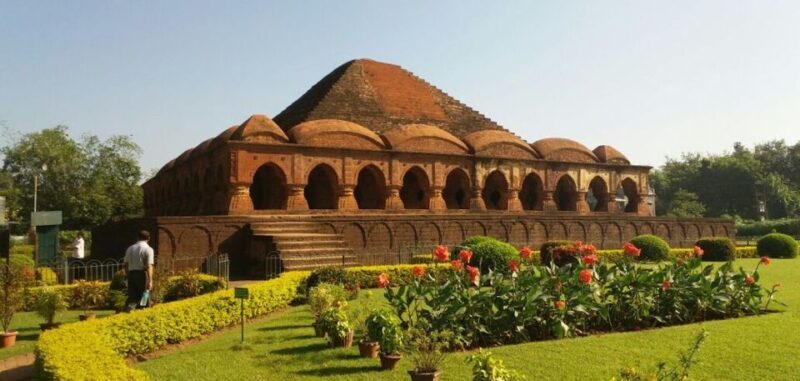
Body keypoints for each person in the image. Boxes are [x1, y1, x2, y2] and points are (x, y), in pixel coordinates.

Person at [123, 230, 154, 311]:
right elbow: (149, 265)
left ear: (137, 237)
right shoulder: (148, 249)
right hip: (142, 274)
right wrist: (150, 280)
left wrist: (128, 275)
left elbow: (126, 264)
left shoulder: (130, 248)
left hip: (131, 274)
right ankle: (144, 312)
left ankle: (128, 312)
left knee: (132, 298)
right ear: (149, 238)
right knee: (144, 296)